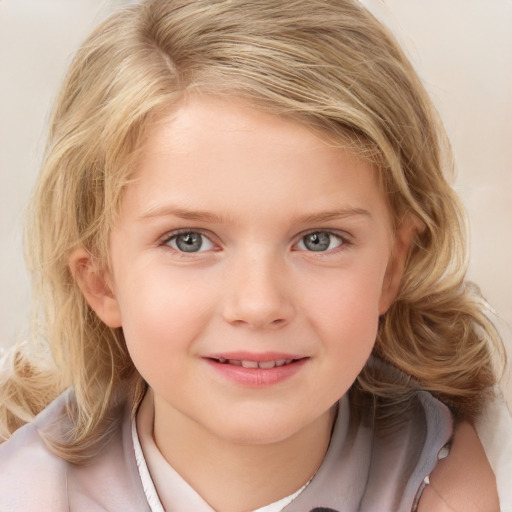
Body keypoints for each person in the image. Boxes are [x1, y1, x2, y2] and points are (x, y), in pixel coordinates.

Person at [0, 0, 505, 510]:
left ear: (392, 265)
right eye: (189, 240)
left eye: (319, 240)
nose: (259, 304)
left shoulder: (436, 479)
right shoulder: (27, 493)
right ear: (102, 282)